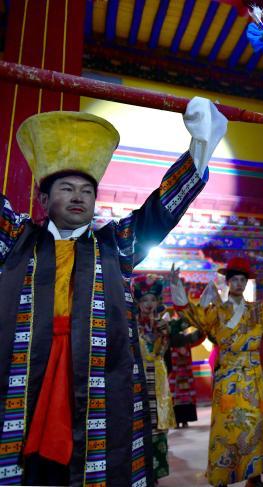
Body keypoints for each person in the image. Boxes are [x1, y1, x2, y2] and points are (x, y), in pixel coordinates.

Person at [0, 98, 226, 486]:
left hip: (97, 379)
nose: (78, 197)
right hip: (26, 374)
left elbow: (160, 212)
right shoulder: (18, 239)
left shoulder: (114, 244)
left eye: (87, 191)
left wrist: (200, 146)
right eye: (66, 188)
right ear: (43, 199)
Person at [170, 258, 263, 487]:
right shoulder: (216, 311)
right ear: (227, 283)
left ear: (246, 283)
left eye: (242, 280)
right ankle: (222, 477)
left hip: (252, 378)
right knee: (226, 426)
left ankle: (254, 476)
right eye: (234, 280)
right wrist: (177, 288)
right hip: (228, 378)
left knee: (253, 426)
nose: (238, 284)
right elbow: (192, 315)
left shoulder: (258, 311)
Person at [133, 274, 177, 481]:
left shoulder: (164, 326)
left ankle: (155, 472)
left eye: (152, 300)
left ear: (158, 301)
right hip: (137, 379)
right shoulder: (131, 326)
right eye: (144, 300)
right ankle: (140, 471)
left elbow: (184, 331)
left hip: (158, 379)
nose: (148, 304)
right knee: (138, 426)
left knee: (158, 425)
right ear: (138, 302)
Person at [168, 312, 203, 428]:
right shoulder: (171, 346)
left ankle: (184, 420)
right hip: (176, 378)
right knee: (176, 398)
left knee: (185, 398)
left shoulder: (186, 343)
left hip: (185, 377)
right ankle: (177, 421)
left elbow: (198, 335)